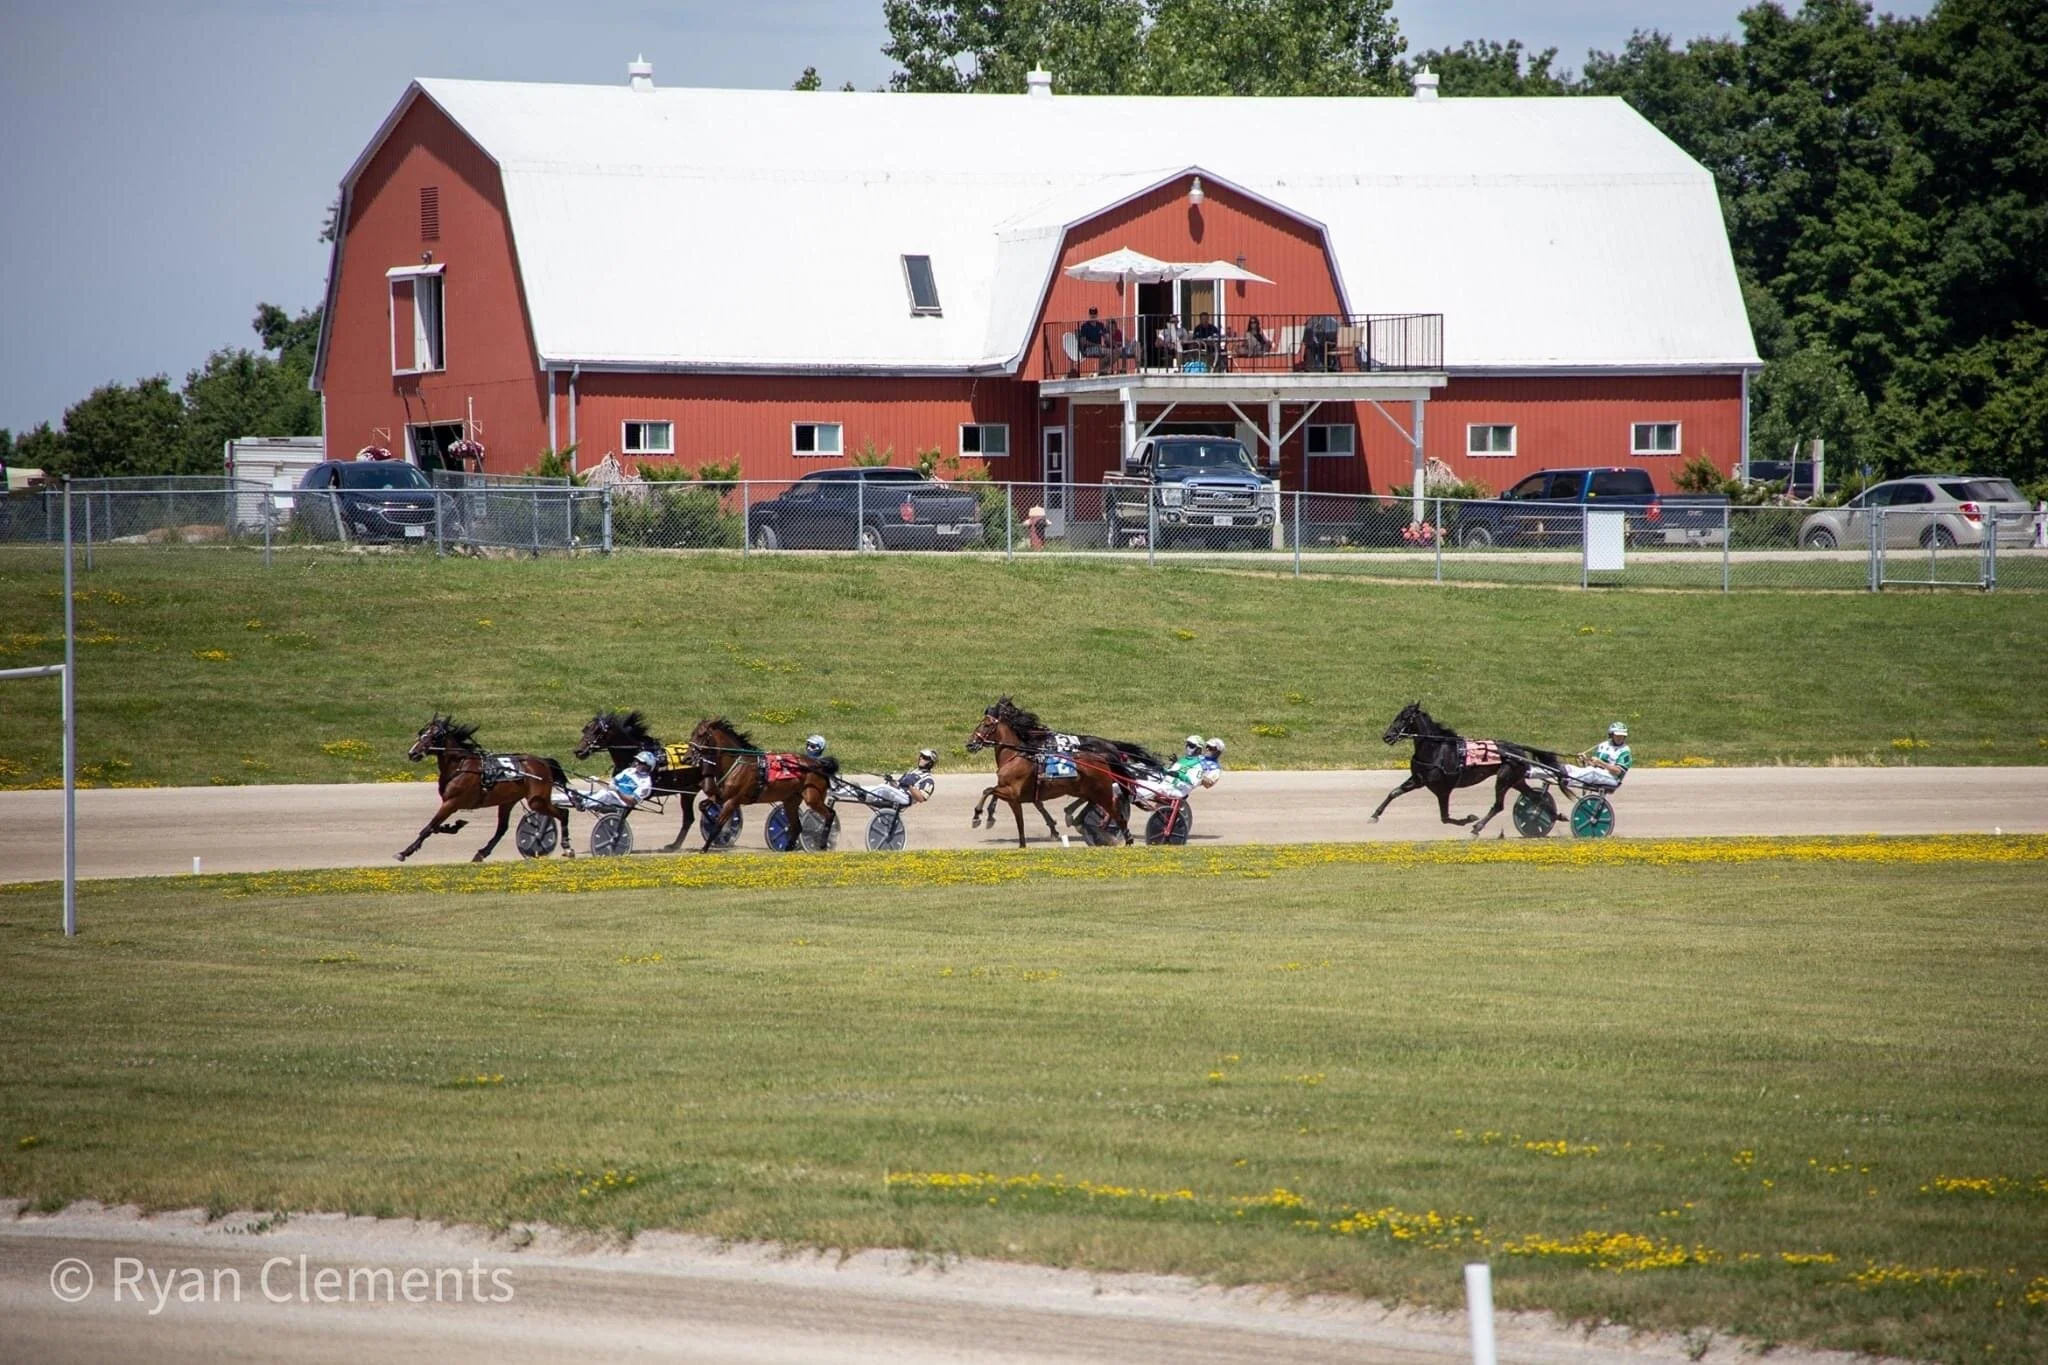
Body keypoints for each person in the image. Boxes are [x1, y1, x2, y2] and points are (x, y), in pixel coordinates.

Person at [1567, 722, 1632, 791]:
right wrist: (1585, 760)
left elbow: (1617, 772)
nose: (1620, 738)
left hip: (1613, 778)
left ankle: (1568, 780)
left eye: (1622, 736)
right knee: (1570, 768)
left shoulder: (1625, 751)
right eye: (1617, 735)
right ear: (1611, 735)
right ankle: (1563, 775)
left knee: (1592, 772)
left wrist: (1601, 762)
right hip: (1600, 773)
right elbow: (1594, 765)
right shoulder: (1603, 745)